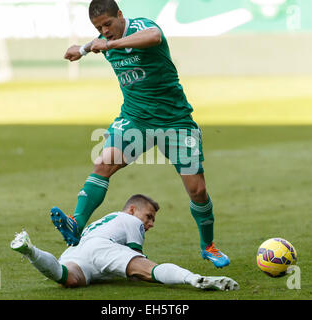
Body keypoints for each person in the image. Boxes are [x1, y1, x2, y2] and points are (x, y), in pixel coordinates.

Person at [52, 0, 229, 268]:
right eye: (99, 28)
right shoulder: (102, 39)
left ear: (120, 16)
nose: (105, 31)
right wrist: (82, 49)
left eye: (108, 24)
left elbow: (154, 36)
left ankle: (209, 246)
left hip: (176, 121)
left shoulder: (141, 27)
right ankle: (75, 223)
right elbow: (94, 44)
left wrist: (107, 45)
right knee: (103, 164)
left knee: (197, 190)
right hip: (135, 120)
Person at [12, 194, 239, 290]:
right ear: (132, 209)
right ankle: (195, 279)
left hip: (77, 250)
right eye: (148, 216)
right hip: (103, 248)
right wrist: (142, 267)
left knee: (67, 277)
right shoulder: (130, 220)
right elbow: (136, 260)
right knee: (148, 270)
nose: (150, 224)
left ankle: (30, 251)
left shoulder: (104, 220)